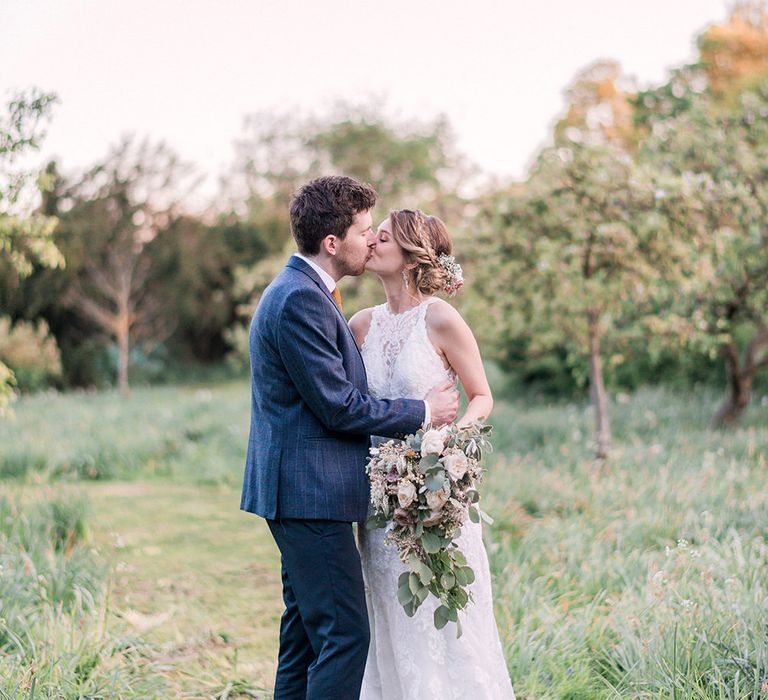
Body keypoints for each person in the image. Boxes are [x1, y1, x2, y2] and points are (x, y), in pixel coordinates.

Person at [240, 177, 460, 700]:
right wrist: (425, 410)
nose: (371, 240)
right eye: (365, 231)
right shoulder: (300, 300)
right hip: (307, 495)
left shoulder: (309, 292)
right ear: (334, 243)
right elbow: (338, 406)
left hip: (305, 493)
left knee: (304, 637)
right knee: (344, 635)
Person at [349, 209, 516, 699]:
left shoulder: (441, 317)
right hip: (381, 504)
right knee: (390, 617)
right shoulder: (360, 326)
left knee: (444, 619)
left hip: (435, 496)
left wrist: (446, 448)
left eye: (383, 237)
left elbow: (481, 396)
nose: (372, 243)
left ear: (411, 254)